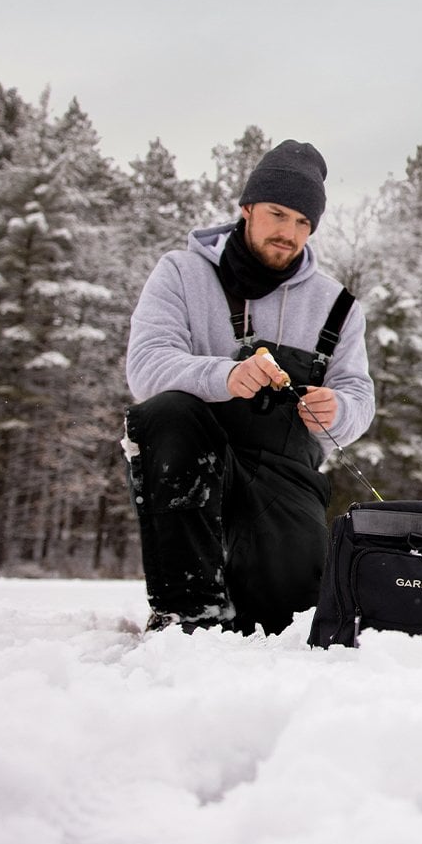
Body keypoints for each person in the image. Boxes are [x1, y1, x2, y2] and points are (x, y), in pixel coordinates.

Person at [123, 140, 375, 635]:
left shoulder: (337, 306)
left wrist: (338, 408)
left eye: (303, 223)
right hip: (194, 449)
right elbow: (146, 367)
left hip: (285, 468)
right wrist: (225, 376)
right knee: (166, 414)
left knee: (287, 619)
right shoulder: (181, 273)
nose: (289, 233)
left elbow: (359, 398)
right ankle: (187, 611)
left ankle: (254, 589)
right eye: (278, 214)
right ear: (246, 210)